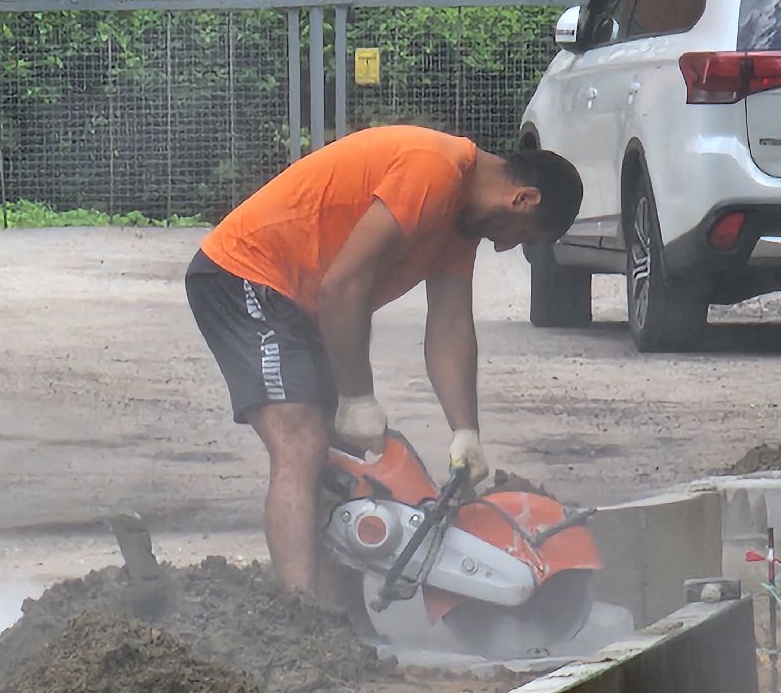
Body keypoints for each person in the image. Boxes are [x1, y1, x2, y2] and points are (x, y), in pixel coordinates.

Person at [185, 124, 582, 603]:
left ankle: (340, 614)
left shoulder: (458, 223)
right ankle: (299, 612)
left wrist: (465, 432)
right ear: (523, 199)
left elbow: (450, 326)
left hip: (300, 300)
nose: (503, 247)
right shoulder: (433, 170)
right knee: (301, 440)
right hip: (245, 273)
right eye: (521, 238)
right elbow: (341, 289)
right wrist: (357, 398)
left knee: (345, 463)